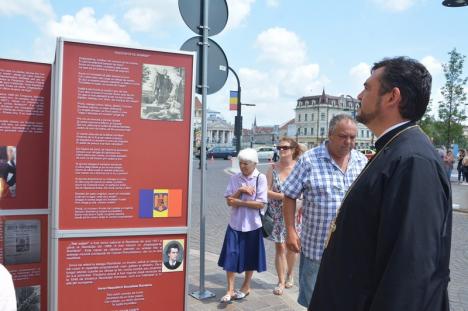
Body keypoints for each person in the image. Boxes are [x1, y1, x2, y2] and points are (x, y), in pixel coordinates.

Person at [309, 57, 452, 311]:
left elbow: (409, 273)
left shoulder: (413, 160)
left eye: (367, 87)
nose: (359, 94)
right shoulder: (395, 150)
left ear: (392, 97)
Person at [282, 114, 368, 307]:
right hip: (317, 249)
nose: (348, 142)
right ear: (330, 134)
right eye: (343, 136)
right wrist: (290, 231)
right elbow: (289, 195)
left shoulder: (361, 161)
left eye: (352, 137)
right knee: (314, 302)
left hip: (352, 251)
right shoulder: (309, 160)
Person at [218, 148, 268, 303]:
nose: (243, 166)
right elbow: (228, 201)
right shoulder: (235, 178)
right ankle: (230, 290)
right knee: (230, 255)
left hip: (253, 225)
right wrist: (240, 190)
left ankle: (246, 286)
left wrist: (238, 202)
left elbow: (260, 204)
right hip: (235, 223)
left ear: (254, 164)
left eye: (246, 163)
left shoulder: (261, 178)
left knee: (250, 256)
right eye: (241, 163)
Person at [266, 137, 304, 295]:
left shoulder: (300, 167)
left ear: (293, 150)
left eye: (285, 148)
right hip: (277, 215)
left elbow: (306, 190)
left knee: (293, 247)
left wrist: (300, 202)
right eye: (279, 147)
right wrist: (284, 197)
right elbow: (266, 191)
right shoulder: (272, 168)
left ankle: (290, 274)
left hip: (296, 215)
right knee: (280, 247)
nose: (281, 150)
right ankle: (281, 281)